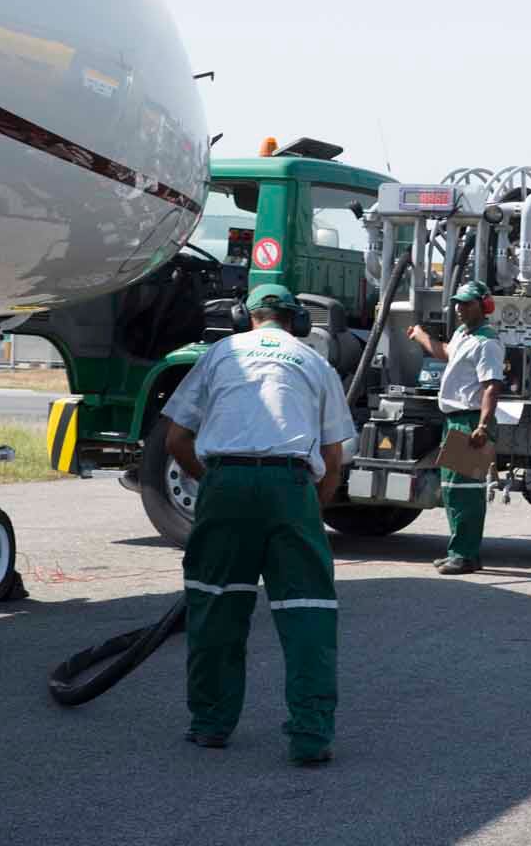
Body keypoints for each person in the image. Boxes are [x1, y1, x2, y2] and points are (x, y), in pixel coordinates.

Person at [159, 283, 354, 766]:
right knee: (308, 611)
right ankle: (311, 737)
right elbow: (333, 459)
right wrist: (308, 508)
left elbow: (176, 439)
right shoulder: (315, 363)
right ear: (297, 322)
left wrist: (217, 482)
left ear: (244, 316)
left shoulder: (219, 354)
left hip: (225, 484)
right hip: (291, 486)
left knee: (215, 606)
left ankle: (211, 724)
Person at [406, 279, 505, 575]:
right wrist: (421, 336)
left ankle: (464, 555)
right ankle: (462, 552)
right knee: (452, 489)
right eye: (458, 303)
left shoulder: (487, 343)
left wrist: (483, 426)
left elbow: (491, 387)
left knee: (465, 491)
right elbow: (446, 352)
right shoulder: (463, 334)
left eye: (467, 303)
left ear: (484, 306)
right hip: (455, 419)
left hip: (470, 421)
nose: (460, 309)